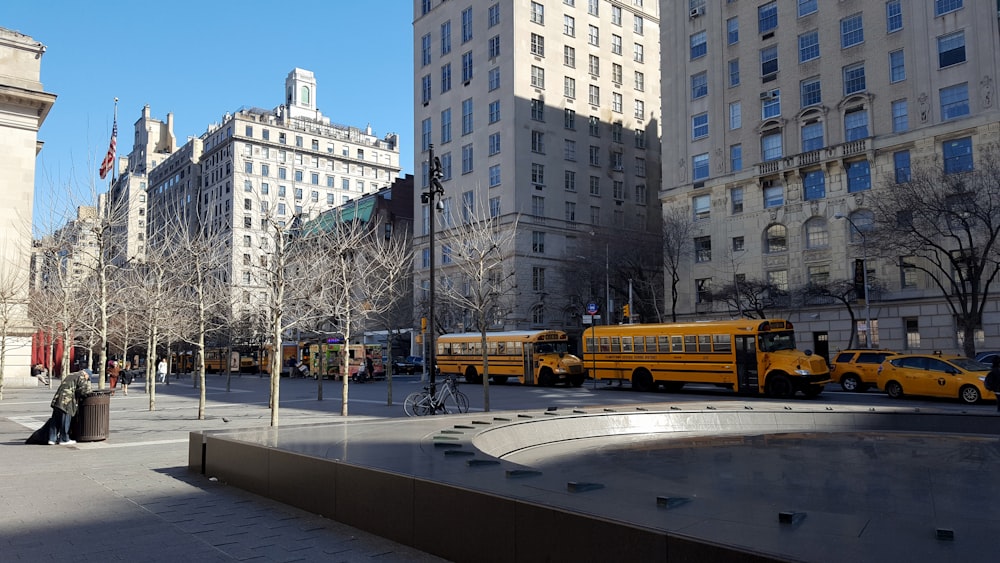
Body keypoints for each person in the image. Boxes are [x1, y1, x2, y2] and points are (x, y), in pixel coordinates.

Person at [48, 369, 92, 445]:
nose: (87, 379)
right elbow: (83, 391)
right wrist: (89, 391)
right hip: (67, 400)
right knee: (65, 420)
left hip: (58, 399)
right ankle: (64, 439)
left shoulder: (71, 374)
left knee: (55, 419)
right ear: (86, 375)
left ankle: (52, 439)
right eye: (88, 378)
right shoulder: (81, 377)